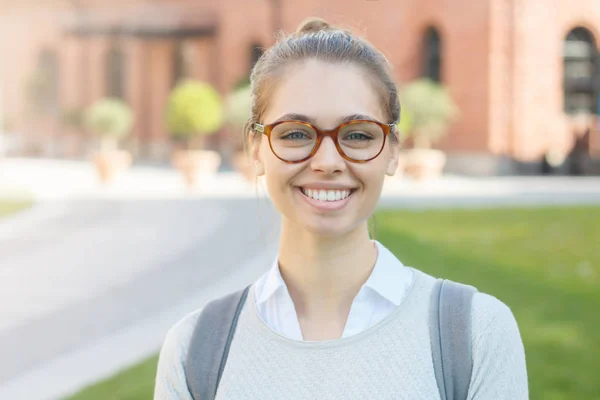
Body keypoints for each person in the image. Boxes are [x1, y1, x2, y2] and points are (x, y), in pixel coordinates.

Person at [154, 17, 528, 399]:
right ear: (255, 149)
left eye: (357, 135)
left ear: (393, 152)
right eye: (296, 133)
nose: (328, 161)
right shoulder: (194, 352)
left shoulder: (474, 335)